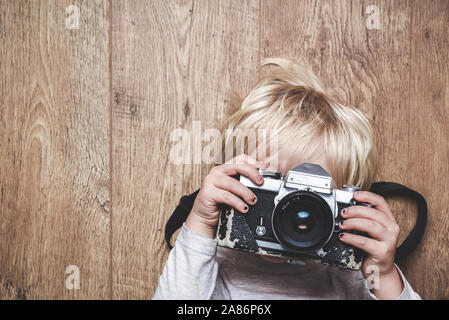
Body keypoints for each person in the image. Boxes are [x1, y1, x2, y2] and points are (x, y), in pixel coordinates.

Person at [153, 58, 421, 300]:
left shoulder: (349, 270)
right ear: (236, 182)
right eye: (275, 184)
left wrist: (383, 274)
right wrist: (201, 224)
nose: (294, 211)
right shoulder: (213, 264)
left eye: (313, 196)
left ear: (344, 205)